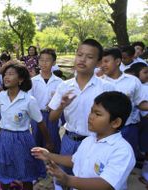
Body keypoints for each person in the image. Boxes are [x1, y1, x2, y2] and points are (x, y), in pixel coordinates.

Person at [32, 91, 135, 190]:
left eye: (97, 114)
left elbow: (105, 184)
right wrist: (48, 155)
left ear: (116, 122)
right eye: (91, 111)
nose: (90, 117)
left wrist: (68, 180)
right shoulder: (89, 140)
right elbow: (75, 160)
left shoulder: (122, 151)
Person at [48, 39, 115, 188]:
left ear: (98, 63)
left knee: (87, 180)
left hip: (95, 142)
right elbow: (52, 118)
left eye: (89, 57)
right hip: (69, 140)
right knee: (62, 177)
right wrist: (61, 107)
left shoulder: (107, 88)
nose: (82, 60)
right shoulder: (64, 86)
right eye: (79, 55)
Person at [0, 63, 51, 190]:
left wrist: (48, 141)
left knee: (26, 173)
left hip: (22, 139)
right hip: (4, 138)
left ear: (20, 79)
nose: (6, 77)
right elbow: (0, 114)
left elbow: (40, 122)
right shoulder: (1, 96)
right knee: (4, 171)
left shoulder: (29, 100)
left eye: (11, 74)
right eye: (5, 75)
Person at [101, 48, 148, 157]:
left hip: (128, 129)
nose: (103, 65)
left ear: (117, 61)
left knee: (126, 159)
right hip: (105, 129)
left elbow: (140, 104)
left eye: (106, 61)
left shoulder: (133, 81)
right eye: (101, 62)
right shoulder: (99, 82)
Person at [29, 48, 63, 153]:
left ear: (54, 62)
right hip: (37, 115)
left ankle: (53, 165)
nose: (44, 63)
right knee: (36, 141)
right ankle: (38, 167)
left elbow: (61, 100)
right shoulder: (33, 81)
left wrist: (53, 104)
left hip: (52, 115)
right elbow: (29, 100)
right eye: (41, 60)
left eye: (47, 60)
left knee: (52, 141)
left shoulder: (60, 82)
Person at [124, 63, 148, 185]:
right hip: (122, 126)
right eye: (145, 72)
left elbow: (141, 105)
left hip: (131, 125)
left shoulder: (138, 86)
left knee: (130, 152)